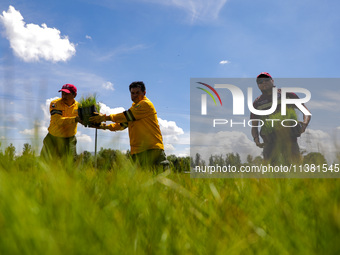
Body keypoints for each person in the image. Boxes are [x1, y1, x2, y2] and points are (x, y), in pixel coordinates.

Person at [89, 81, 167, 168]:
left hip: (151, 149)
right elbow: (122, 125)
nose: (135, 95)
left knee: (158, 178)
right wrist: (103, 126)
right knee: (142, 181)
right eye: (132, 93)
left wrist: (104, 117)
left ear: (144, 93)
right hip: (137, 151)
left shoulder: (145, 104)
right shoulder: (134, 108)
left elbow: (126, 115)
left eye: (138, 93)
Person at [250, 72, 311, 164]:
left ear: (272, 81)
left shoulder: (287, 94)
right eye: (260, 81)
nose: (263, 83)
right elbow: (254, 126)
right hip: (269, 141)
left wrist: (304, 124)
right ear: (258, 85)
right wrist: (256, 139)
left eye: (266, 80)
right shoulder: (257, 103)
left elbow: (306, 112)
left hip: (290, 139)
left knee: (294, 168)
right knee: (270, 172)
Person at [41, 84, 81, 161]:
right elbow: (58, 121)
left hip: (69, 140)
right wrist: (75, 119)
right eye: (62, 93)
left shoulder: (80, 106)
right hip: (52, 139)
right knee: (44, 164)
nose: (64, 96)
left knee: (70, 165)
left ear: (74, 95)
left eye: (67, 94)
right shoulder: (55, 104)